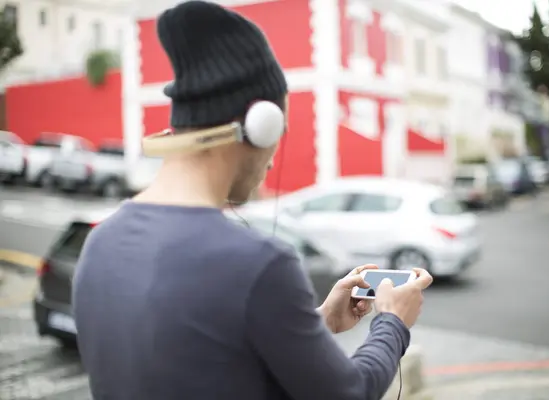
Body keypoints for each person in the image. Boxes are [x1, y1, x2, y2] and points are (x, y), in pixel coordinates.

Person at [72, 2, 433, 400]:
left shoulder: (99, 242)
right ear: (260, 127)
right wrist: (393, 322)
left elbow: (205, 359)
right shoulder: (260, 264)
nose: (273, 157)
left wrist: (321, 321)